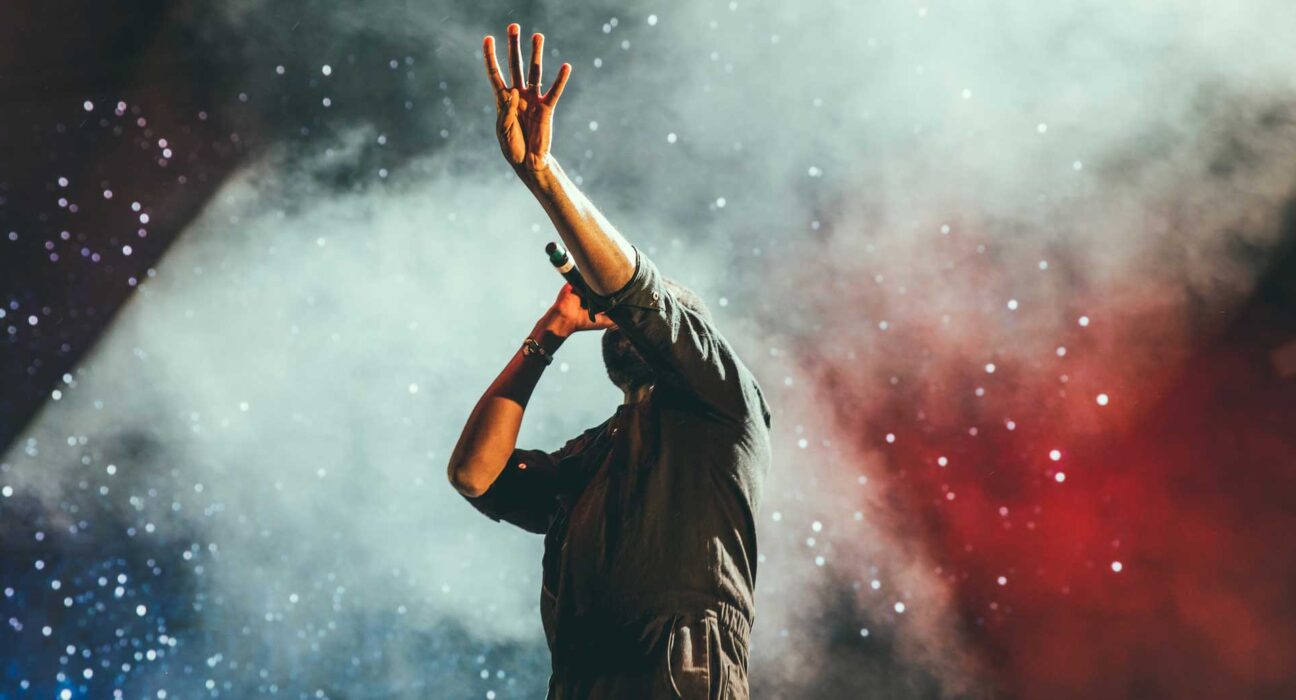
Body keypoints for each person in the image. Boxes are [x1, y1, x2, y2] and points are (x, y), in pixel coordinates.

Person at [447, 23, 772, 699]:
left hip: (680, 670)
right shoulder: (592, 455)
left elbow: (639, 294)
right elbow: (475, 475)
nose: (618, 318)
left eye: (637, 316)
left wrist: (543, 176)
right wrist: (549, 332)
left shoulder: (723, 398)